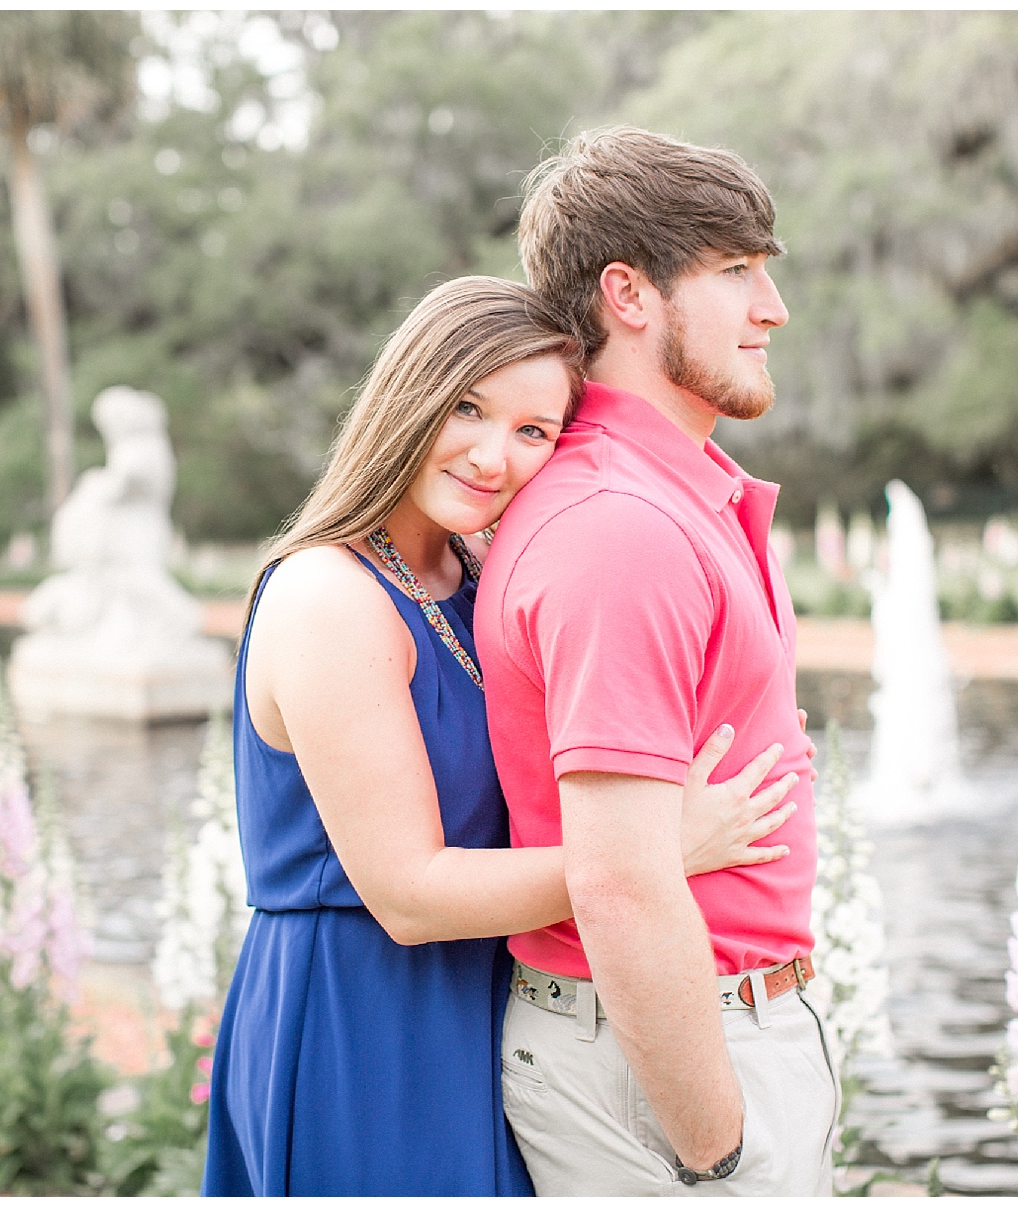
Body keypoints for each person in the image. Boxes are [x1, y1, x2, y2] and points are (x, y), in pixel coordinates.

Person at [201, 275, 804, 1196]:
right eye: (468, 410)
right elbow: (409, 894)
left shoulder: (475, 570)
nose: (493, 456)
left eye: (534, 431)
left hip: (485, 1001)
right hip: (362, 1025)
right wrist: (656, 850)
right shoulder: (330, 596)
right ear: (410, 397)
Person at [474, 126, 836, 1195]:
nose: (772, 307)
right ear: (629, 295)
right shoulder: (618, 527)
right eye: (735, 271)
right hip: (670, 1060)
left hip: (711, 1030)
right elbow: (622, 883)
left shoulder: (672, 495)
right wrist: (716, 1147)